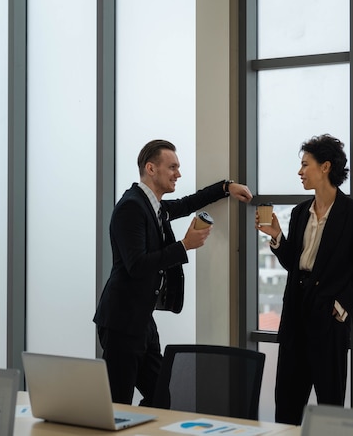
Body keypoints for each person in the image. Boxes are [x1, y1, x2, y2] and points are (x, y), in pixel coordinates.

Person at [93, 139, 253, 406]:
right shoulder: (131, 207)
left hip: (141, 321)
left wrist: (226, 187)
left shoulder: (155, 206)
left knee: (161, 396)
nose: (178, 173)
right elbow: (137, 265)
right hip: (122, 323)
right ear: (151, 168)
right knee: (118, 402)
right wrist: (184, 246)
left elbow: (190, 202)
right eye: (173, 167)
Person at [256, 134, 353, 425]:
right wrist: (277, 238)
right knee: (286, 405)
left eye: (305, 165)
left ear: (325, 167)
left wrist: (341, 306)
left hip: (329, 319)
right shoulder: (299, 213)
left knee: (329, 407)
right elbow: (294, 265)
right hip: (296, 314)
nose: (300, 172)